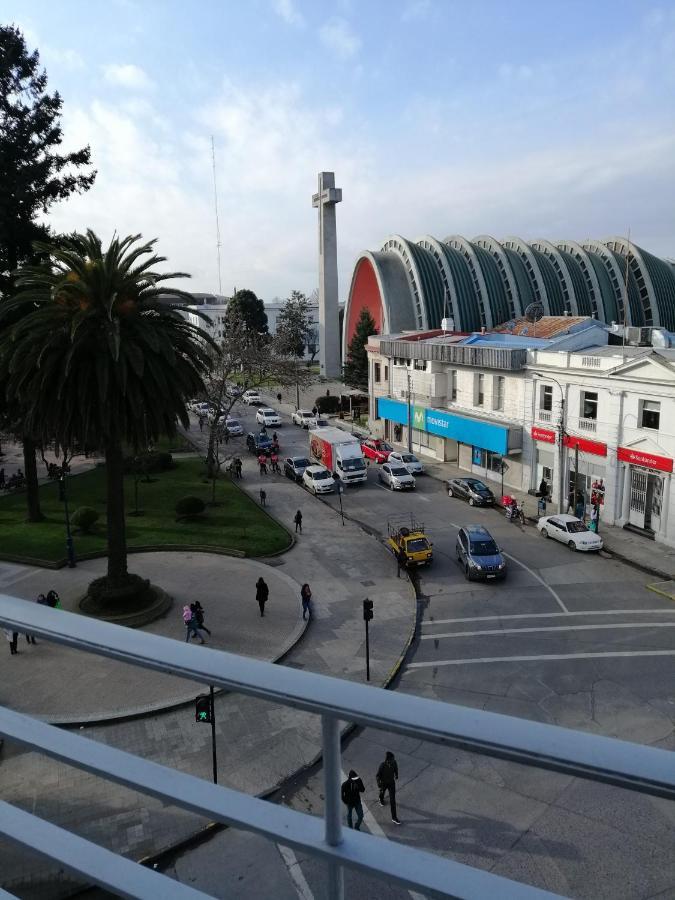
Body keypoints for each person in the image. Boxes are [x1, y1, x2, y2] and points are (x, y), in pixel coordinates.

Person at [377, 751, 401, 824]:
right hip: (383, 783)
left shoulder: (394, 763)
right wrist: (379, 784)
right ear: (388, 760)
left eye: (393, 759)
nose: (394, 760)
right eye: (392, 759)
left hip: (391, 783)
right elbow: (378, 775)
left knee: (392, 800)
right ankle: (381, 799)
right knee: (382, 792)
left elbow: (396, 768)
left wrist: (396, 775)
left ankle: (394, 818)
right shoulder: (382, 765)